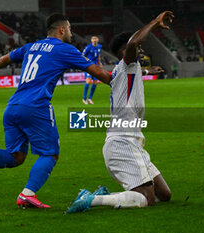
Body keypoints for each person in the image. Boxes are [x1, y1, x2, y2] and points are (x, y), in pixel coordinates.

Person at [0, 13, 111, 209]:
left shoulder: (32, 46)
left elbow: (7, 58)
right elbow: (98, 73)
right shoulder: (65, 48)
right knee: (50, 154)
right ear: (62, 30)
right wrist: (124, 81)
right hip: (36, 107)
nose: (72, 34)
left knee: (17, 157)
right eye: (70, 29)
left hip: (13, 107)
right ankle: (27, 194)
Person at [67, 11, 173, 214]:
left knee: (164, 194)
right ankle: (92, 199)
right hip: (123, 143)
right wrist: (153, 23)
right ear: (126, 53)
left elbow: (131, 68)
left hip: (132, 141)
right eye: (138, 48)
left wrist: (149, 71)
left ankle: (112, 194)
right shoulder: (127, 64)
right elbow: (132, 46)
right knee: (146, 200)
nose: (140, 51)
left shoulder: (123, 70)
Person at [82, 36, 102, 104]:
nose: (95, 40)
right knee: (88, 81)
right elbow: (83, 55)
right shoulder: (88, 47)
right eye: (93, 39)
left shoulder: (99, 46)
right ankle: (84, 98)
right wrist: (86, 62)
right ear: (91, 40)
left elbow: (99, 55)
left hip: (96, 66)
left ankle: (89, 98)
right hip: (89, 66)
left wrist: (100, 62)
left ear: (98, 40)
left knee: (95, 82)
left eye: (96, 39)